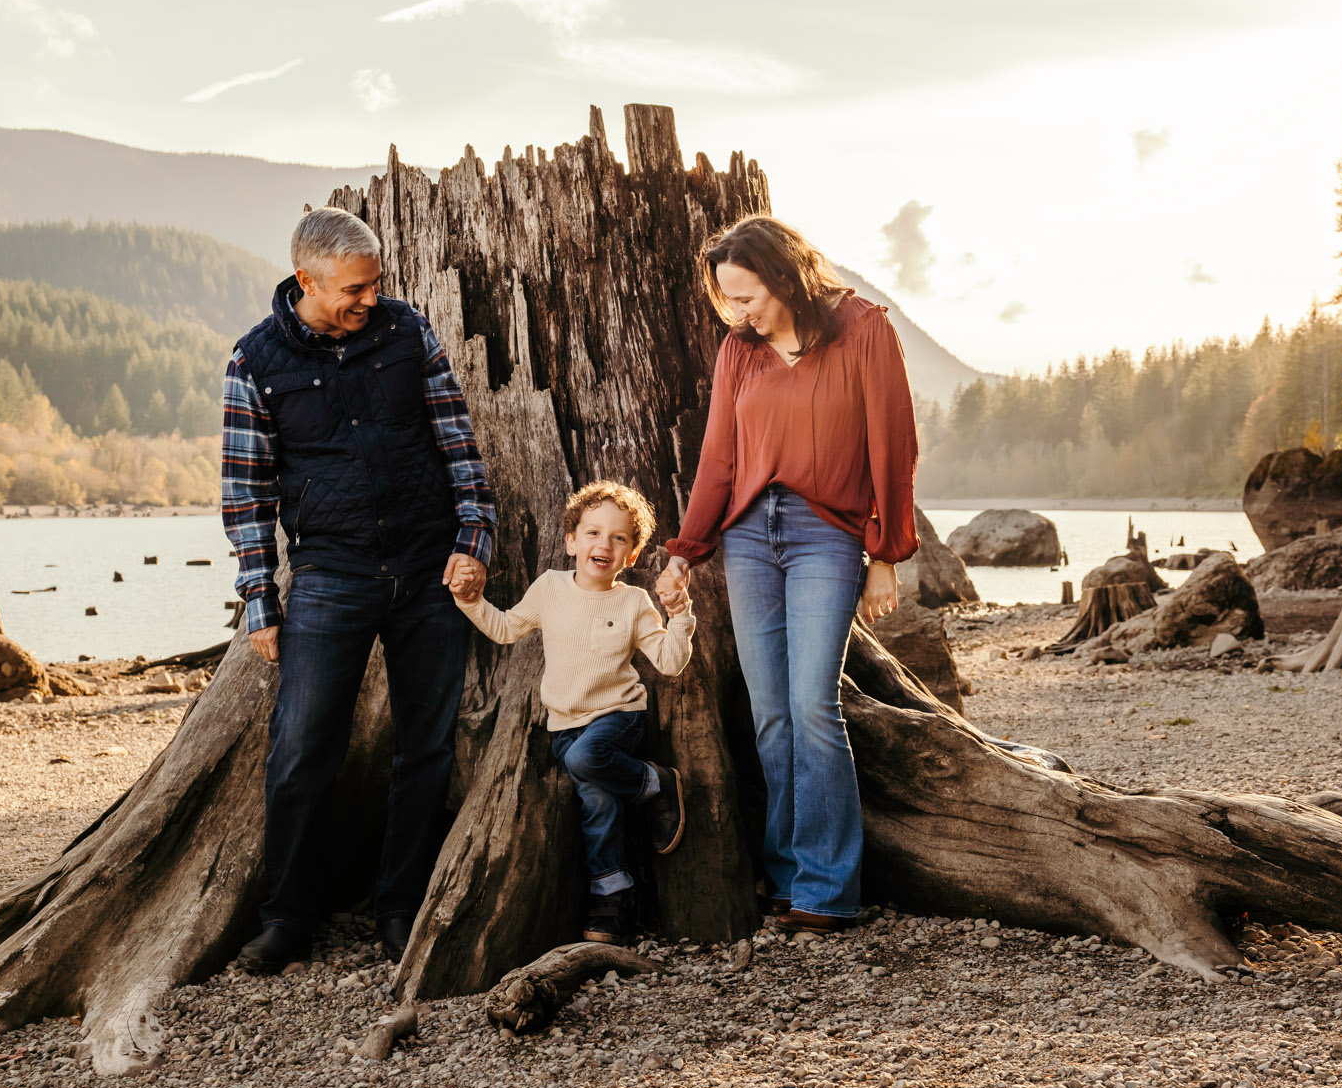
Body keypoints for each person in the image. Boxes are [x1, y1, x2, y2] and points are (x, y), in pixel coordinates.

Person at [221, 206, 496, 974]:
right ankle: (288, 917)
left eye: (375, 283)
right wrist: (259, 601)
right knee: (302, 747)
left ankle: (400, 905)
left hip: (429, 569)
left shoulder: (407, 333)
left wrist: (473, 542)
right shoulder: (255, 361)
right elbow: (246, 496)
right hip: (329, 577)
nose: (370, 298)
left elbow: (459, 445)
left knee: (427, 747)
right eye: (354, 287)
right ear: (305, 280)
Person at [656, 215, 918, 935]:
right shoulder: (739, 353)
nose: (738, 314)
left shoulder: (864, 329)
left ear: (783, 275)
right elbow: (717, 460)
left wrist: (886, 554)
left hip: (824, 537)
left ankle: (829, 890)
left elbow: (893, 445)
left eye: (747, 297)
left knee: (812, 707)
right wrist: (685, 549)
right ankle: (784, 873)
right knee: (770, 714)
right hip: (747, 538)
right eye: (727, 301)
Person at [450, 480, 695, 945]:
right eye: (593, 533)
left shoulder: (633, 601)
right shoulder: (550, 587)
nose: (603, 544)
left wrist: (680, 615)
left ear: (632, 555)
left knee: (586, 761)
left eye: (619, 538)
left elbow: (669, 661)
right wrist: (469, 601)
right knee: (597, 803)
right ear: (570, 542)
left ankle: (656, 782)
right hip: (565, 723)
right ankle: (613, 893)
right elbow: (505, 629)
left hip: (618, 716)